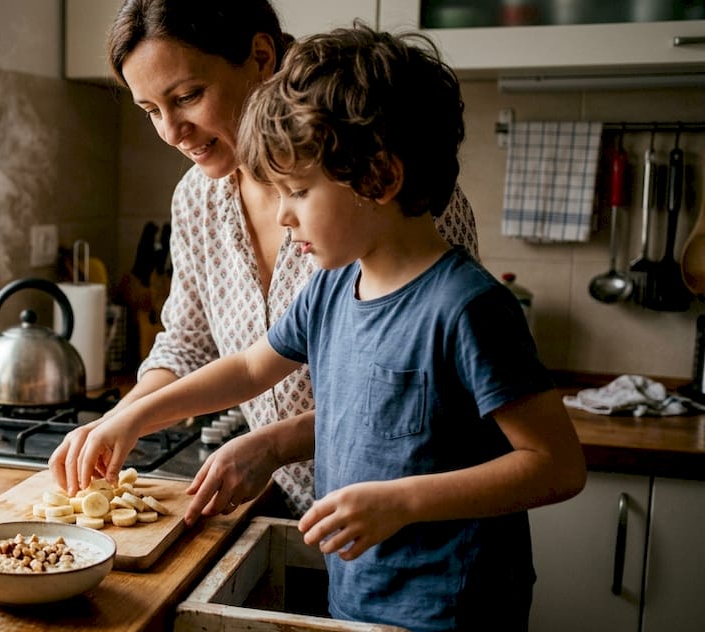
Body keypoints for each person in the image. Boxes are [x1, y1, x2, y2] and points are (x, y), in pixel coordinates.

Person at [53, 23, 586, 632]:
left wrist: (400, 501)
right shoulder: (336, 285)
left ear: (382, 177)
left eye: (297, 192)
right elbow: (247, 368)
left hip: (450, 621)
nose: (282, 214)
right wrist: (131, 417)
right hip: (360, 597)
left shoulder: (468, 308)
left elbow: (557, 465)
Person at [49, 0, 482, 521]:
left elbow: (427, 394)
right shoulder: (197, 199)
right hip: (301, 515)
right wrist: (119, 420)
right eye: (149, 111)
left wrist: (276, 444)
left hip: (420, 526)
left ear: (260, 56)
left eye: (187, 96)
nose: (169, 132)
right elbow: (197, 350)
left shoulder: (385, 194)